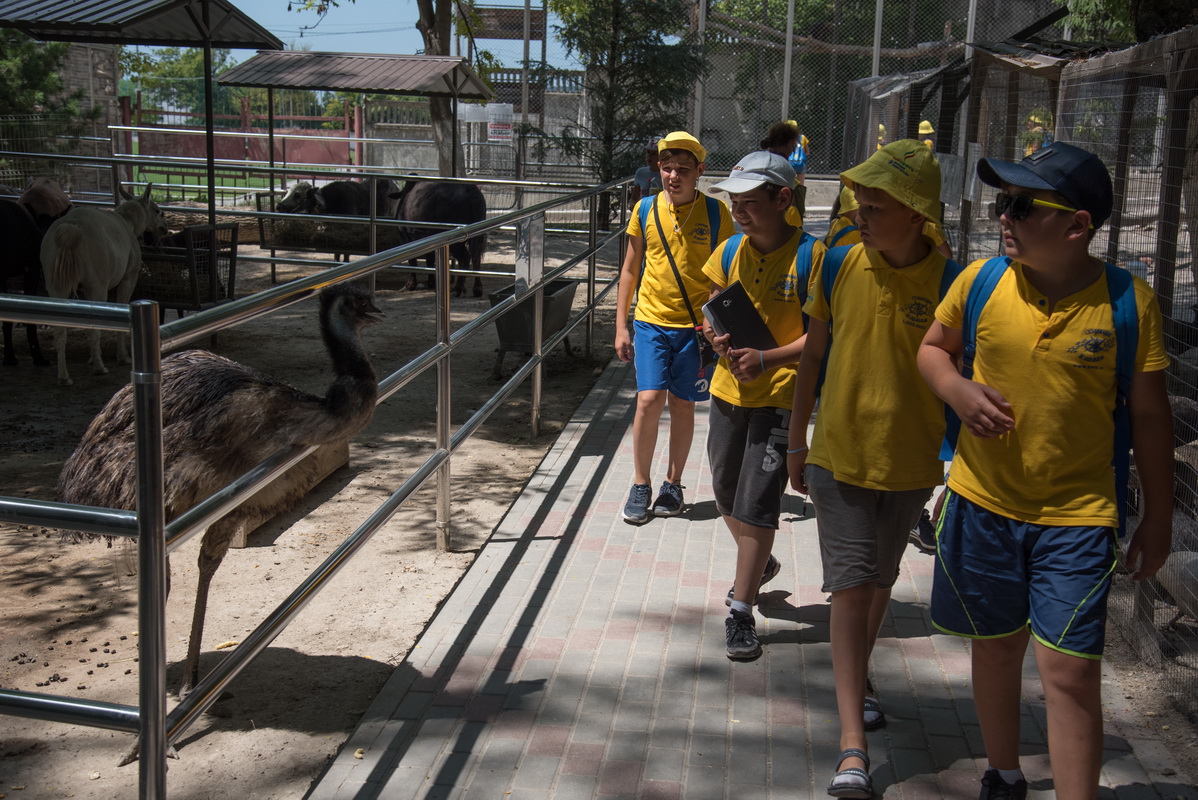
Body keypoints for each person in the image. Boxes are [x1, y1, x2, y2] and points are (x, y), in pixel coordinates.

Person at [918, 142, 1172, 800]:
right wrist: (956, 390)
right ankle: (1003, 775)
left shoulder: (1128, 302)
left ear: (1077, 225)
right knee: (996, 647)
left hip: (1077, 519)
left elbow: (1150, 417)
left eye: (1022, 205)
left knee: (1071, 672)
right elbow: (933, 350)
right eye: (1003, 202)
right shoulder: (981, 282)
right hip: (981, 505)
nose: (1004, 215)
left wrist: (1159, 517)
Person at [788, 140, 959, 799]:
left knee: (881, 581)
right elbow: (813, 358)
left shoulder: (954, 283)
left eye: (875, 206)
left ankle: (858, 677)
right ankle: (852, 746)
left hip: (912, 464)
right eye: (858, 203)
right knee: (852, 588)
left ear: (916, 213)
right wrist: (796, 442)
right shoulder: (836, 264)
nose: (859, 214)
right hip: (839, 456)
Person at [702, 150, 823, 661]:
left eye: (750, 202)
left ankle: (741, 609)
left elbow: (821, 339)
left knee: (756, 502)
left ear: (782, 198)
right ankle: (760, 560)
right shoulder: (730, 251)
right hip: (727, 393)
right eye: (734, 202)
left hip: (781, 398)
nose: (739, 212)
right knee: (724, 489)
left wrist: (767, 359)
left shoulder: (813, 258)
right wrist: (714, 338)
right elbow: (712, 308)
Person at [614, 131, 735, 524]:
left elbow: (724, 274)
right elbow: (630, 269)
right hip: (651, 322)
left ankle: (673, 483)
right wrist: (621, 326)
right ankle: (640, 483)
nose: (673, 176)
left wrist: (713, 324)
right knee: (649, 400)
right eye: (667, 168)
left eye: (683, 169)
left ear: (700, 171)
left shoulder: (717, 214)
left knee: (683, 405)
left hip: (695, 331)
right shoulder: (645, 209)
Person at [827, 182, 953, 261]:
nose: (860, 218)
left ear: (916, 215)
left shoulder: (837, 224)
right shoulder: (854, 254)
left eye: (872, 208)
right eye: (860, 205)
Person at [758, 121, 807, 222]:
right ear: (781, 145)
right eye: (792, 145)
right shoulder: (780, 168)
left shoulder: (761, 161)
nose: (793, 150)